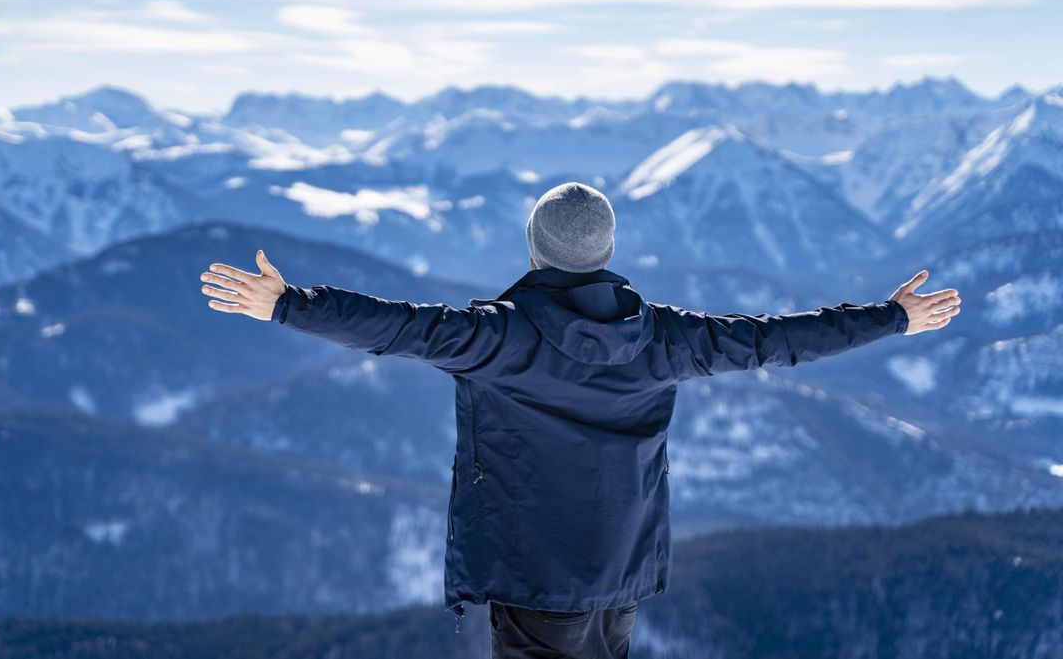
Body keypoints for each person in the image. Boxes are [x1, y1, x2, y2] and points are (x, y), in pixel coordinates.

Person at [199, 182, 961, 659]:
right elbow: (776, 339)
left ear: (535, 251)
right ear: (606, 252)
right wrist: (892, 317)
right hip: (619, 565)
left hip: (537, 571)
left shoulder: (499, 336)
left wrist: (287, 303)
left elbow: (397, 325)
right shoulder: (662, 335)